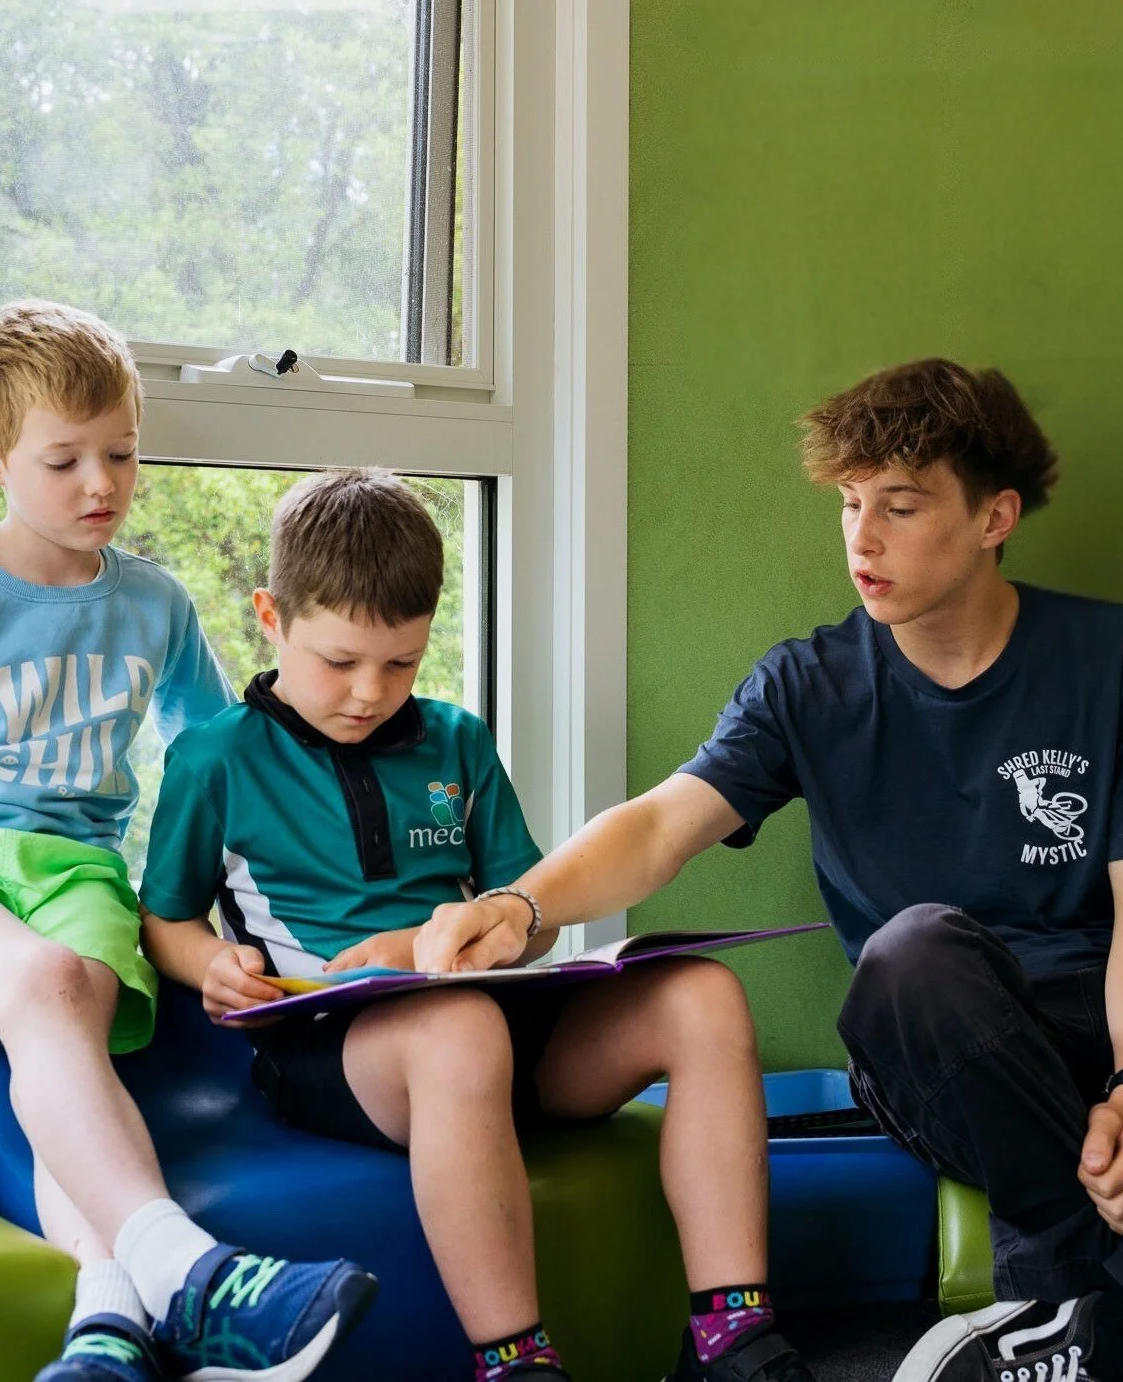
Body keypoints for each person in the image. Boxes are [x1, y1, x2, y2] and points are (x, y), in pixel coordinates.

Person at [412, 361, 1123, 1382]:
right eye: (848, 503)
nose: (861, 539)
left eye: (903, 506)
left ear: (995, 517)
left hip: (1113, 1013)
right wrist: (522, 903)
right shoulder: (809, 683)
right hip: (944, 1039)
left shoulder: (1116, 660)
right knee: (910, 946)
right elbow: (657, 826)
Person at [0, 300, 376, 1382]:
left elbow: (216, 758)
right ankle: (193, 1274)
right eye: (64, 461)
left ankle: (107, 1324)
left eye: (121, 453)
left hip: (78, 876)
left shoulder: (150, 604)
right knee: (50, 986)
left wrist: (272, 909)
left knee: (67, 1024)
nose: (100, 483)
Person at [140, 468, 816, 1382]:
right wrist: (212, 962)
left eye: (402, 661)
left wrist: (494, 932)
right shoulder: (214, 758)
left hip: (498, 1026)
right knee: (457, 1031)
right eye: (339, 662)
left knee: (702, 994)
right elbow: (165, 919)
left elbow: (524, 916)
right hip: (335, 1048)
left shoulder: (457, 740)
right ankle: (517, 1360)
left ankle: (732, 1336)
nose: (370, 691)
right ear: (270, 616)